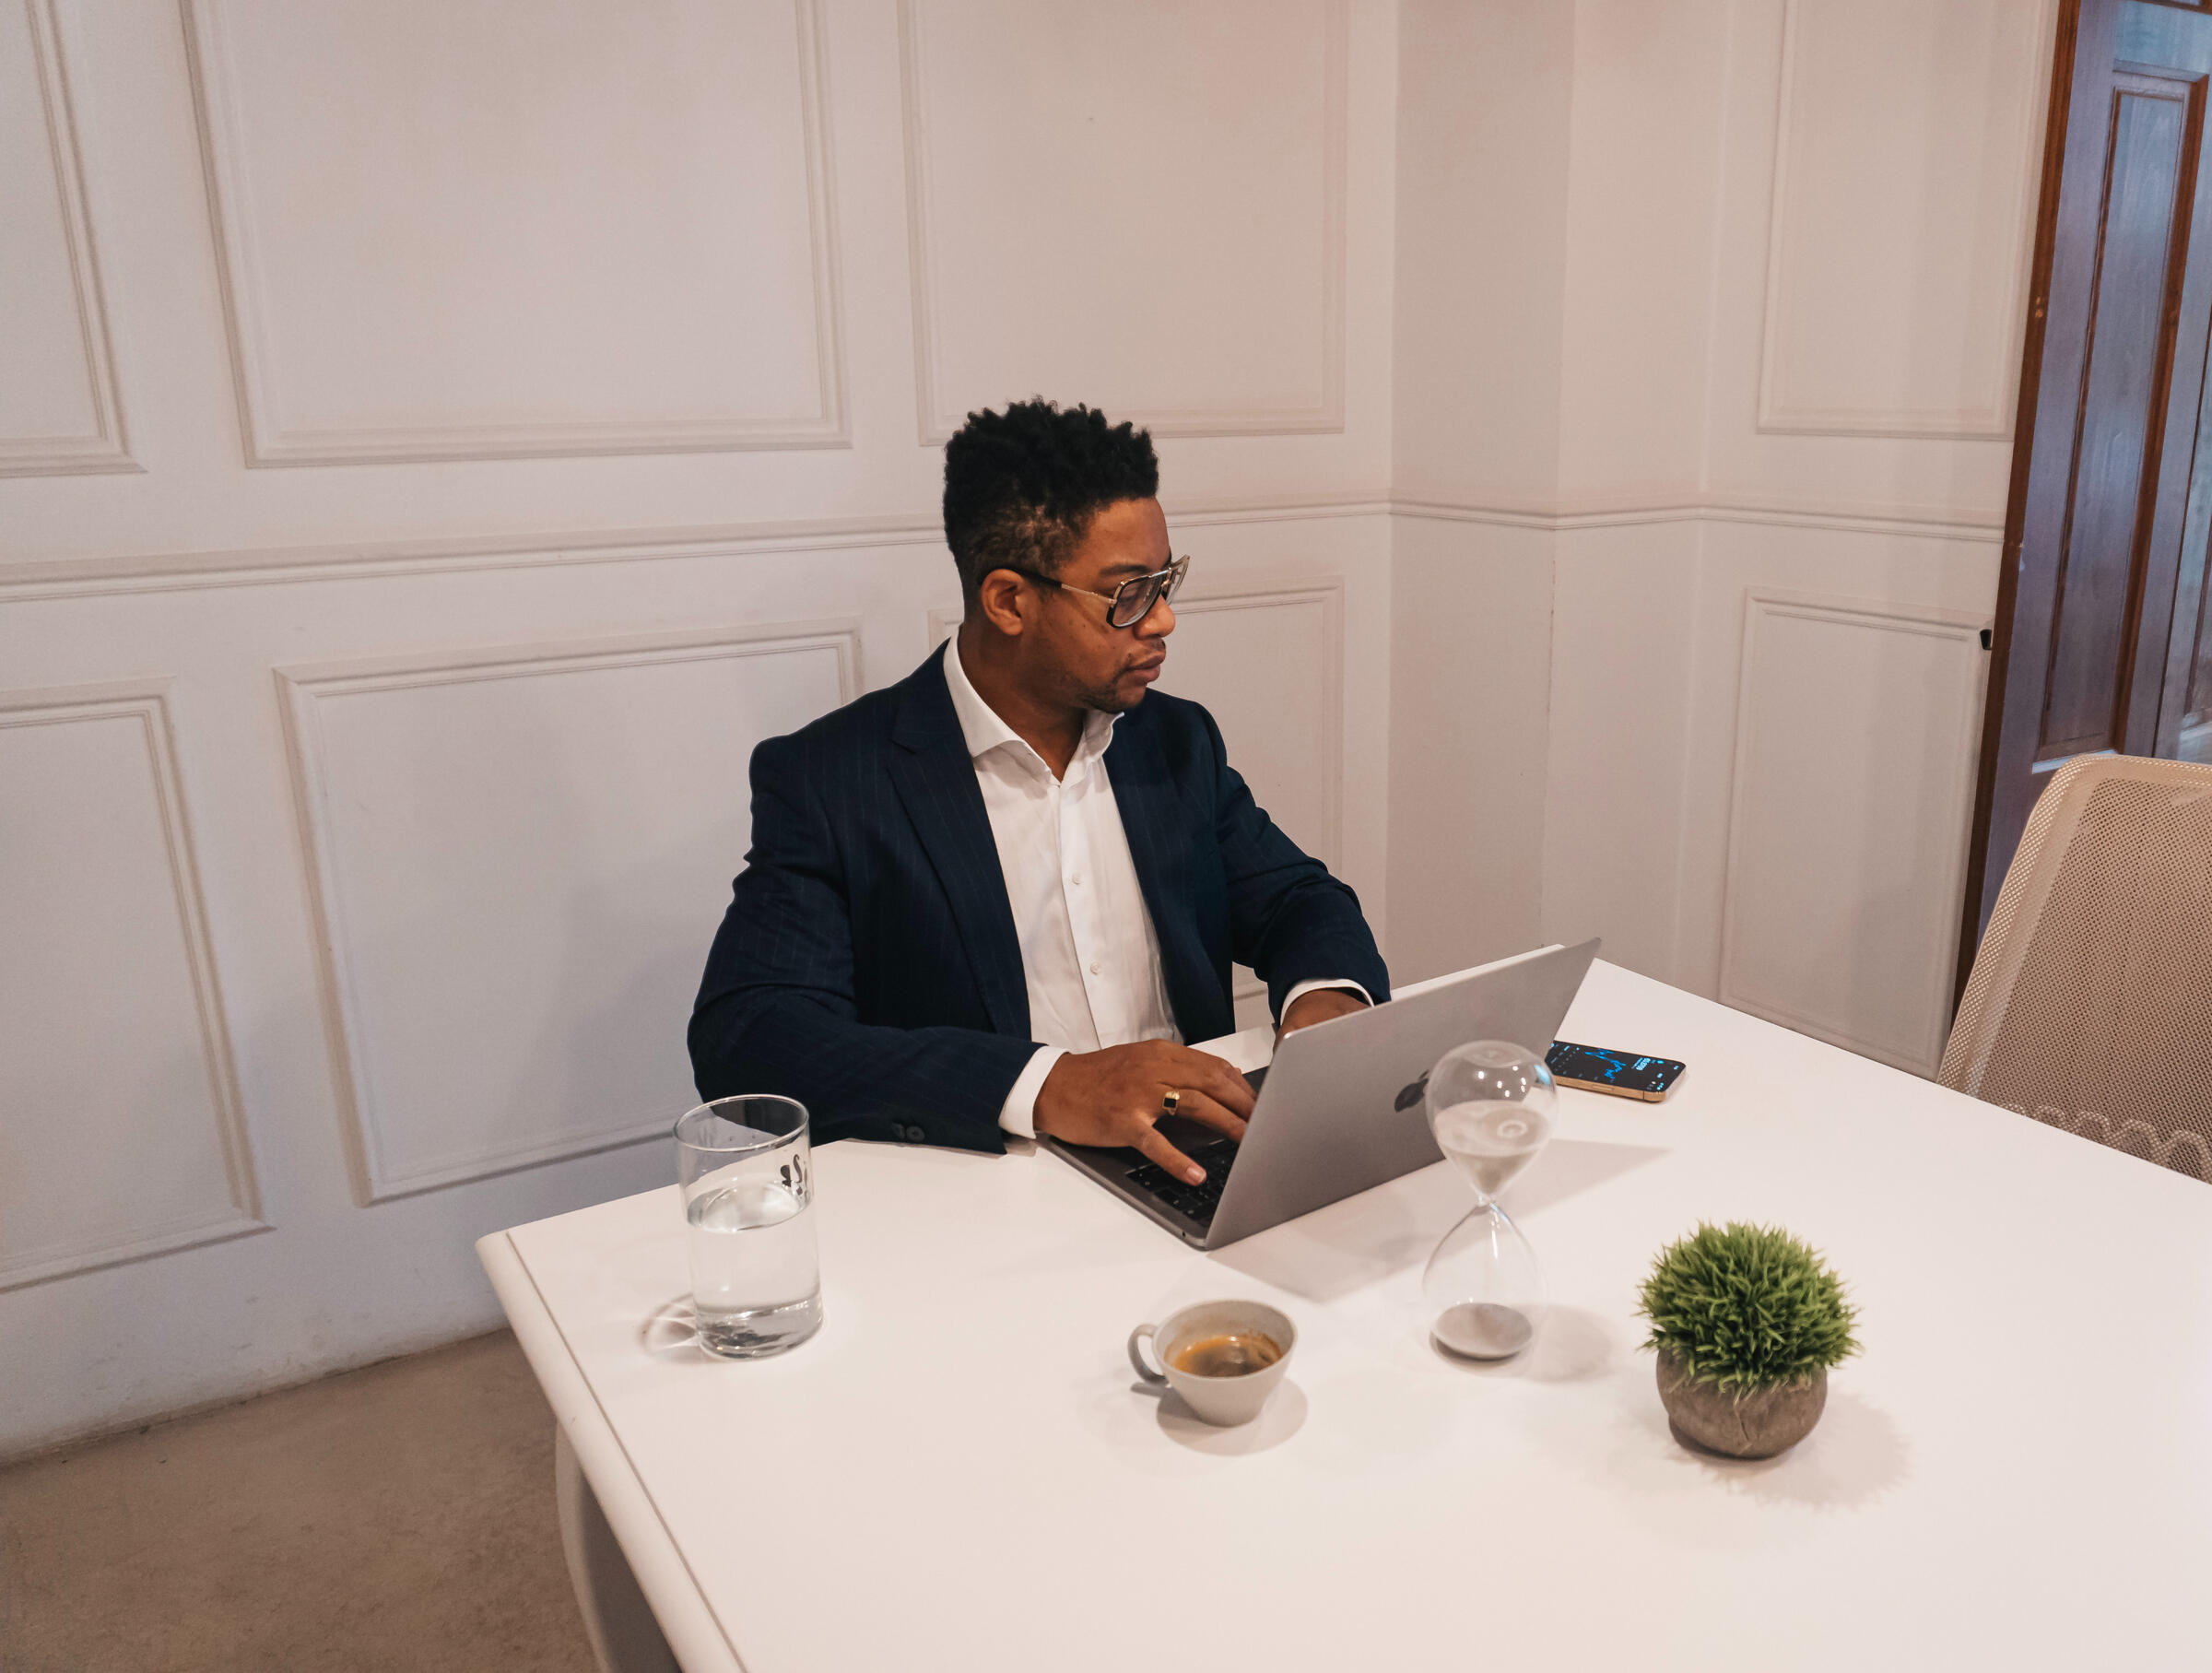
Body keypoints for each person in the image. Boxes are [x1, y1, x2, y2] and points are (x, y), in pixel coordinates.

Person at [689, 399, 1389, 1185]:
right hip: (987, 1194)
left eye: (1166, 580)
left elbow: (1298, 900)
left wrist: (1328, 1011)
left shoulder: (1173, 742)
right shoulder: (836, 781)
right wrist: (1047, 1085)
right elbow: (751, 1035)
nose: (1162, 619)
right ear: (1009, 601)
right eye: (1128, 594)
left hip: (1198, 1169)